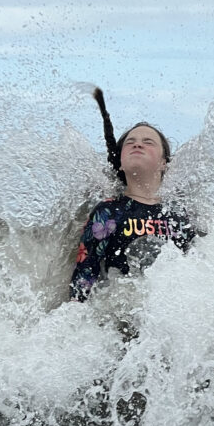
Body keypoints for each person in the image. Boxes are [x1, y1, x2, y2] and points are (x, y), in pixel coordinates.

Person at [70, 89, 196, 302]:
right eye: (130, 142)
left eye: (148, 142)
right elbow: (84, 276)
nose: (137, 144)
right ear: (119, 163)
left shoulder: (179, 215)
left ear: (164, 162)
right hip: (121, 320)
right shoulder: (108, 212)